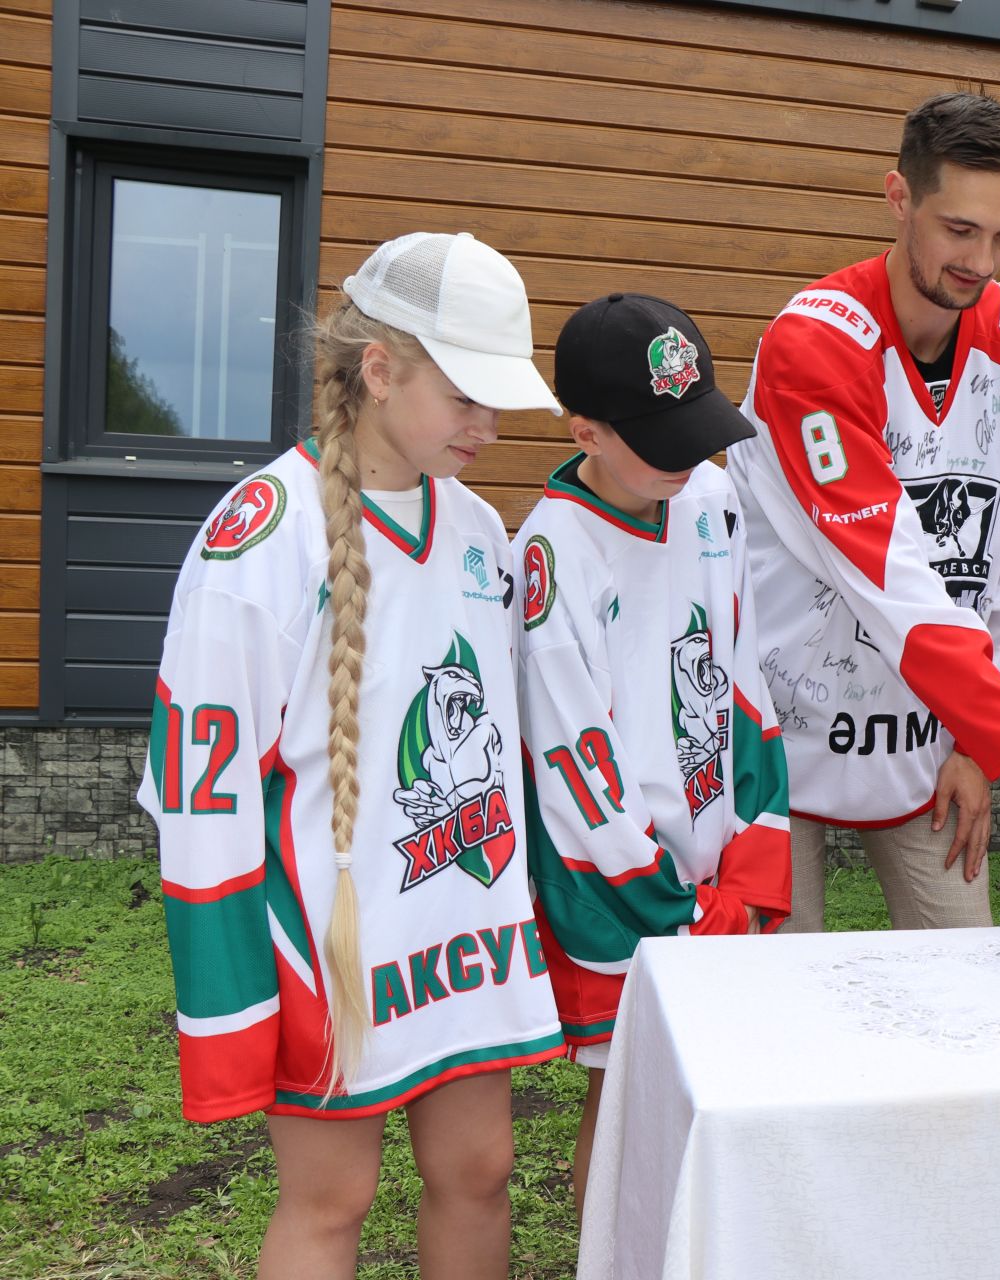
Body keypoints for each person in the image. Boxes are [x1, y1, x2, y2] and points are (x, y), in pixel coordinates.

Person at [138, 231, 565, 1277]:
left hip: (459, 916)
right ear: (380, 370)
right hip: (323, 938)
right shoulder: (262, 532)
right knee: (334, 1195)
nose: (489, 424)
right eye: (465, 395)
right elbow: (200, 788)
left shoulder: (475, 528)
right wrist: (234, 988)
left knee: (480, 1168)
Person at [727, 91, 1000, 933]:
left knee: (966, 975)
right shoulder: (812, 343)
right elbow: (887, 571)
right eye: (958, 229)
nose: (982, 261)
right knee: (770, 1002)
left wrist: (978, 744)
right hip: (781, 722)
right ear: (899, 198)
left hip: (929, 734)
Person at [514, 293, 791, 1213]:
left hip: (724, 866)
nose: (688, 453)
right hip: (626, 886)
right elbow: (572, 769)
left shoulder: (708, 494)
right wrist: (673, 903)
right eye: (659, 436)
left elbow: (743, 672)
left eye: (696, 427)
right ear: (583, 430)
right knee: (625, 1094)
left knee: (727, 1086)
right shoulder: (551, 553)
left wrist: (753, 851)